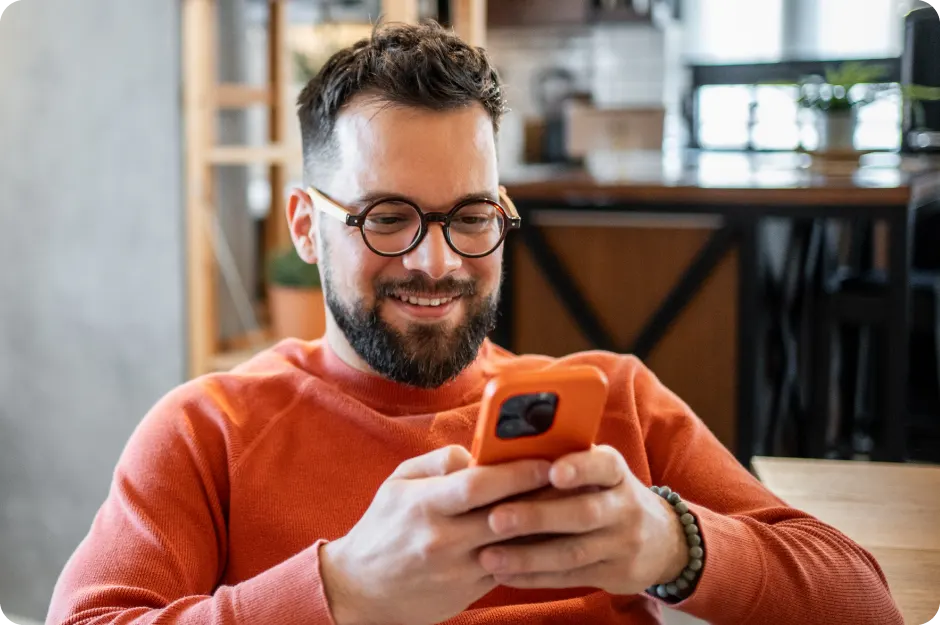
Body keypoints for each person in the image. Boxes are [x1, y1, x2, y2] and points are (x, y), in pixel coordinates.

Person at [48, 21, 903, 625]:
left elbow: (864, 602)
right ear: (307, 226)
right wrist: (342, 592)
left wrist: (670, 545)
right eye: (387, 217)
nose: (438, 263)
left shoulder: (615, 399)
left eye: (469, 215)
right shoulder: (208, 432)